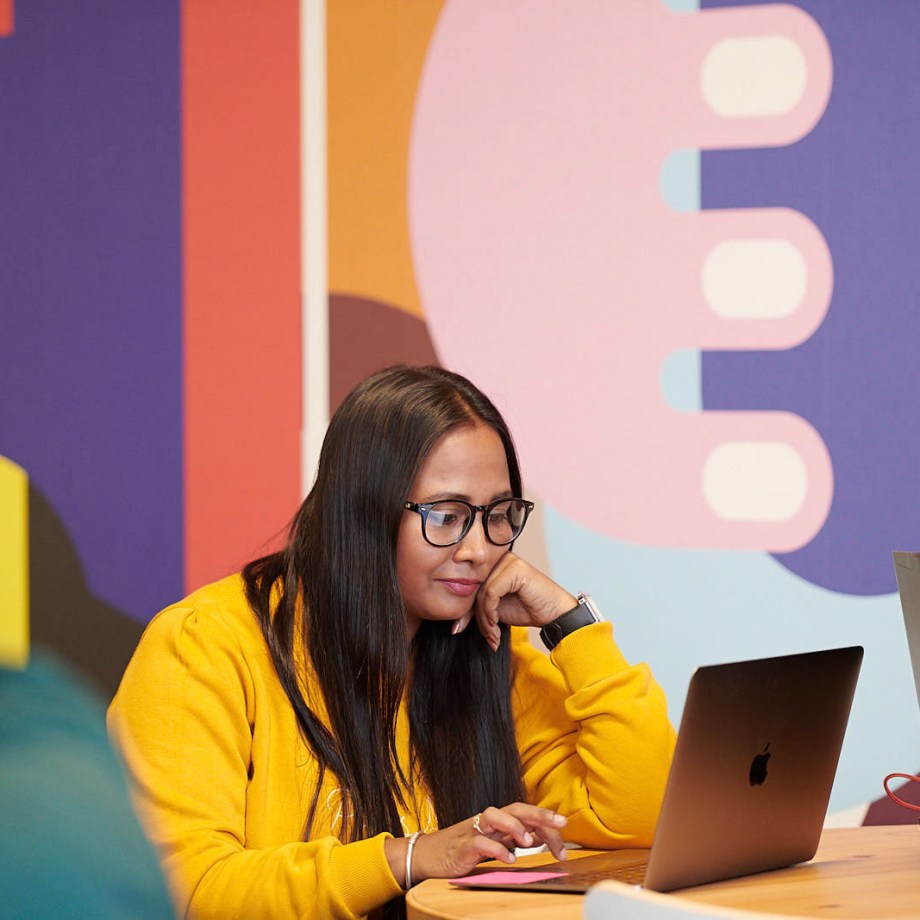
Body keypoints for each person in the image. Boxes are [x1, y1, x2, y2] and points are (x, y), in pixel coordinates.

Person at [108, 365, 675, 919]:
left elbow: (639, 816)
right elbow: (185, 890)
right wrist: (410, 856)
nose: (480, 549)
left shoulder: (489, 649)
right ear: (363, 513)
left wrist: (572, 627)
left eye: (498, 515)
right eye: (448, 515)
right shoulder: (203, 645)